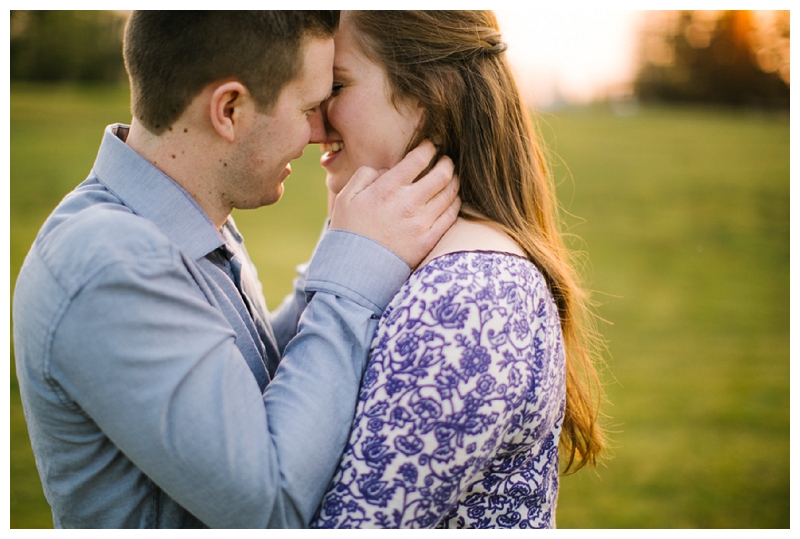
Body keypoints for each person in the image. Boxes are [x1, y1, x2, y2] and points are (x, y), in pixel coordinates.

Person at [12, 11, 459, 529]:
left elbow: (251, 379)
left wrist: (355, 241)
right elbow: (268, 506)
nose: (319, 132)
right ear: (229, 109)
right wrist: (352, 281)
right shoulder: (110, 264)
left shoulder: (181, 222)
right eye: (309, 106)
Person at [310, 11, 605, 529]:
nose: (313, 120)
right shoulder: (432, 267)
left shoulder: (467, 300)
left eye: (336, 84)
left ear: (429, 94)